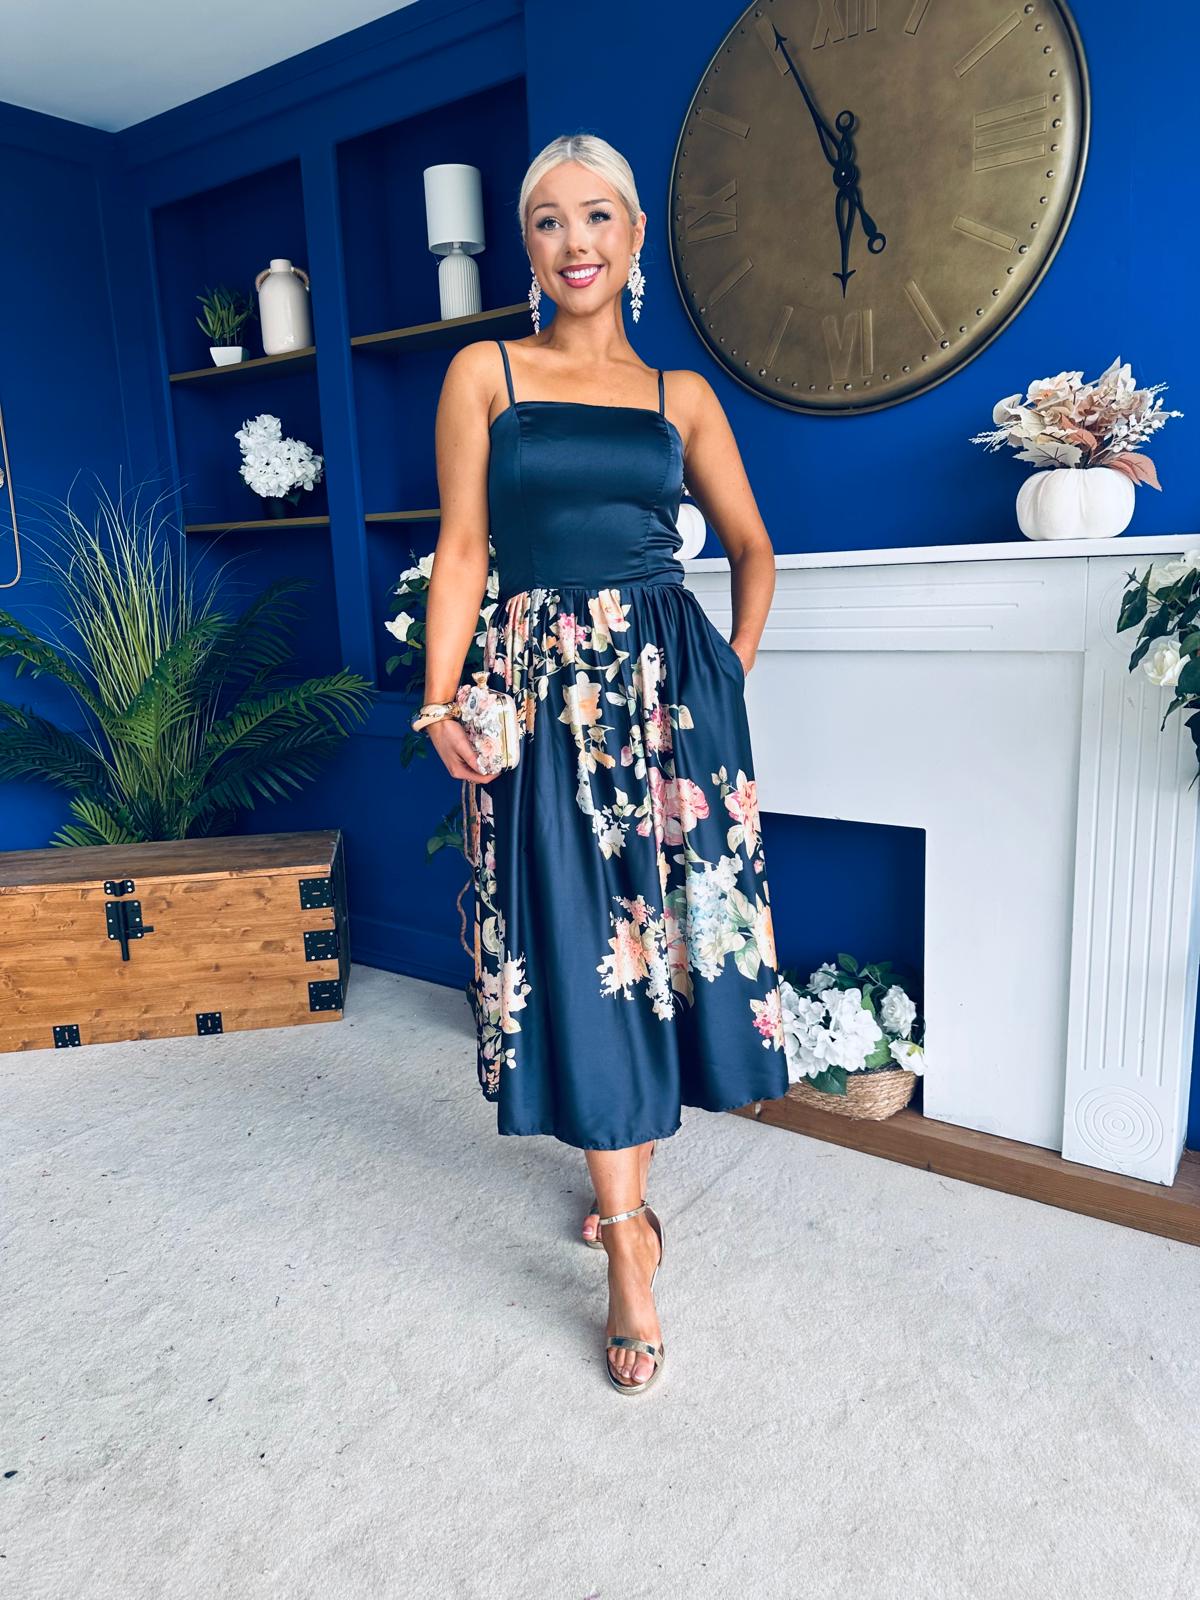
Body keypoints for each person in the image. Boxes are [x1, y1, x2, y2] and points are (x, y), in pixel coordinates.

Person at [415, 132, 788, 1395]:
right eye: (547, 221)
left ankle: (626, 1196)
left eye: (596, 217)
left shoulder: (682, 396)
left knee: (662, 946)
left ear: (633, 237)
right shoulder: (485, 373)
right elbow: (464, 550)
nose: (573, 242)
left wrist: (725, 671)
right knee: (580, 949)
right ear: (527, 247)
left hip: (670, 709)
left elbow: (753, 547)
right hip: (539, 699)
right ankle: (628, 1236)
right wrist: (438, 700)